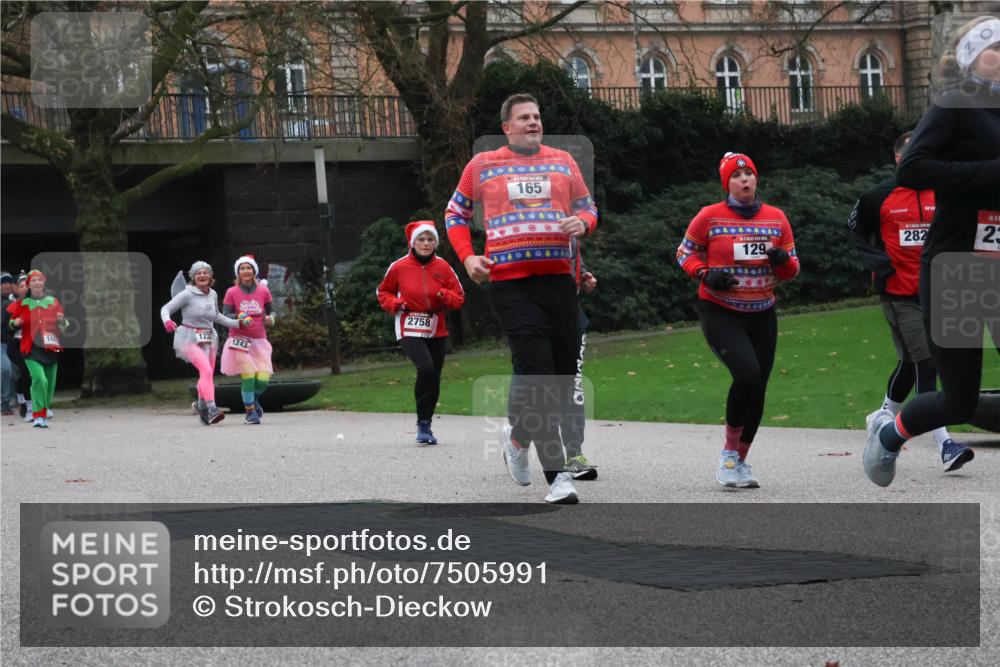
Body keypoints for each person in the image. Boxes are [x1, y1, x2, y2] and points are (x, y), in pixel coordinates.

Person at [863, 16, 1000, 487]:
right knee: (958, 400)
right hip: (958, 269)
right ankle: (889, 434)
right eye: (993, 49)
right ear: (970, 60)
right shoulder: (956, 103)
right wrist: (991, 173)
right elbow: (913, 168)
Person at [446, 92, 598, 504]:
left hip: (559, 284)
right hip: (511, 285)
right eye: (524, 118)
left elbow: (589, 208)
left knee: (562, 380)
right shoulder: (483, 165)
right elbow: (455, 214)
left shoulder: (564, 162)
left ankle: (516, 439)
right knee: (537, 374)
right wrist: (468, 257)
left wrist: (582, 223)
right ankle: (557, 477)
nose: (533, 122)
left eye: (537, 116)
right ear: (507, 126)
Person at [847, 132, 973, 472]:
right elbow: (854, 229)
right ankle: (945, 444)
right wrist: (879, 263)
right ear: (902, 159)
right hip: (899, 294)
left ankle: (883, 415)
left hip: (939, 291)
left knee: (909, 362)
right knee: (927, 362)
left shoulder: (943, 194)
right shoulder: (879, 197)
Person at [677, 152, 800, 488]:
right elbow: (684, 252)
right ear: (726, 183)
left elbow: (792, 269)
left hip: (762, 312)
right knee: (747, 374)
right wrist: (705, 274)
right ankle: (728, 456)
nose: (744, 179)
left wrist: (781, 261)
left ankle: (739, 462)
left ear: (756, 179)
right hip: (721, 311)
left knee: (758, 389)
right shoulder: (709, 217)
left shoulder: (776, 219)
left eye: (749, 173)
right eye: (736, 175)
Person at [377, 221, 465, 445]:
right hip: (408, 324)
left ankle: (425, 424)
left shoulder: (444, 267)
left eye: (430, 239)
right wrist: (395, 303)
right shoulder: (399, 266)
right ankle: (422, 423)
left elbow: (459, 296)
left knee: (434, 375)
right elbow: (383, 291)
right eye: (421, 239)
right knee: (425, 368)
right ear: (413, 242)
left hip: (437, 325)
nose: (426, 244)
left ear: (435, 242)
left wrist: (445, 295)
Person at [160, 261, 249, 425]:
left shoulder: (213, 294)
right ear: (193, 277)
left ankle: (201, 407)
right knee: (206, 370)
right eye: (198, 273)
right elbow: (165, 309)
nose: (202, 275)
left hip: (208, 338)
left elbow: (216, 316)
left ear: (210, 276)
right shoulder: (187, 294)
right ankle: (212, 408)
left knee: (206, 374)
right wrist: (168, 322)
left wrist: (237, 323)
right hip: (189, 337)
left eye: (205, 272)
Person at [6, 270, 69, 428]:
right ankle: (38, 415)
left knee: (50, 383)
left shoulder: (53, 301)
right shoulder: (22, 304)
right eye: (33, 280)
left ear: (43, 283)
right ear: (28, 284)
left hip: (50, 347)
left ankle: (44, 408)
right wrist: (16, 323)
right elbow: (10, 324)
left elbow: (65, 326)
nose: (36, 282)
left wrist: (62, 321)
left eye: (39, 280)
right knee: (39, 379)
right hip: (30, 348)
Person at [220, 255, 275, 425]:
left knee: (263, 379)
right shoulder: (231, 292)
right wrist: (240, 315)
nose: (245, 271)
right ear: (238, 272)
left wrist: (271, 318)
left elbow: (271, 311)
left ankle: (253, 399)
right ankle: (250, 413)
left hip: (259, 340)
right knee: (249, 377)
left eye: (248, 268)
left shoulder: (264, 291)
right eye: (242, 268)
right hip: (239, 340)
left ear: (254, 271)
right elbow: (225, 315)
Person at [561, 238, 598, 480]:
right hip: (533, 317)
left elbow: (576, 262)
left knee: (572, 383)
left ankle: (574, 453)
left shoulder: (570, 228)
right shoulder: (526, 221)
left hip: (571, 314)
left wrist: (584, 276)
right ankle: (516, 437)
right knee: (536, 381)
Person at [1, 272, 17, 415]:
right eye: (3, 282)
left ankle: (11, 400)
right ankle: (4, 402)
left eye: (9, 282)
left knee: (15, 373)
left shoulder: (16, 300)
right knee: (6, 370)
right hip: (0, 343)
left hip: (13, 342)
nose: (6, 285)